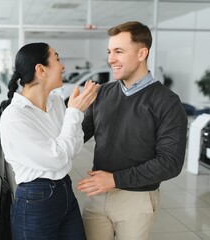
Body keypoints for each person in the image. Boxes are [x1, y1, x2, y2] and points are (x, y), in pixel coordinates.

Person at [77, 21, 188, 240]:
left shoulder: (167, 102)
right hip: (97, 194)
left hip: (136, 198)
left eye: (119, 51)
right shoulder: (102, 94)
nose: (111, 59)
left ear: (141, 53)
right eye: (109, 52)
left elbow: (170, 163)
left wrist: (115, 179)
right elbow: (77, 136)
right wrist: (71, 113)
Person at [0, 42, 99, 240]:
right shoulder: (15, 116)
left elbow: (75, 146)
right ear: (40, 70)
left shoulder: (55, 104)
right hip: (35, 200)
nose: (63, 66)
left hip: (65, 191)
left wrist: (72, 115)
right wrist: (74, 113)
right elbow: (58, 157)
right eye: (57, 59)